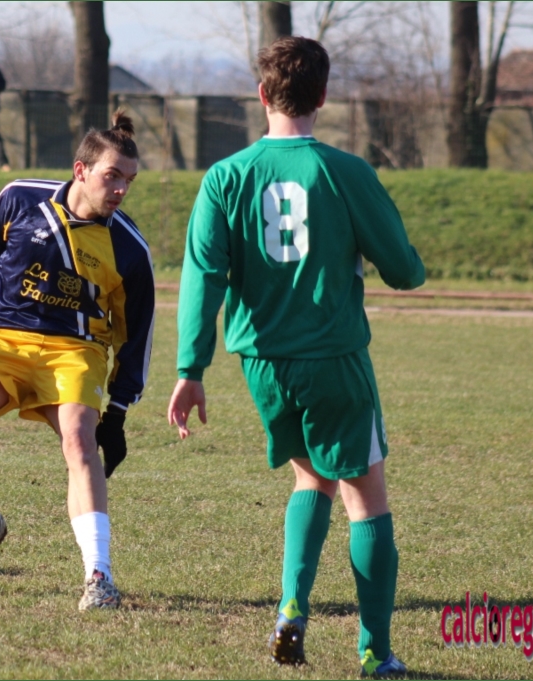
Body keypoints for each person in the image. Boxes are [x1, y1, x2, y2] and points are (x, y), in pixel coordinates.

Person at [167, 37, 424, 678]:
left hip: (263, 364)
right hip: (334, 357)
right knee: (367, 498)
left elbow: (203, 277)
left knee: (312, 479)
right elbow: (402, 269)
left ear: (262, 95)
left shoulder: (225, 177)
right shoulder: (345, 171)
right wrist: (405, 261)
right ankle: (375, 652)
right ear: (324, 96)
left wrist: (190, 370)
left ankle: (290, 607)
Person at [0, 110, 155, 611]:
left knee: (80, 441)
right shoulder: (19, 197)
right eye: (112, 176)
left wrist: (117, 412)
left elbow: (137, 334)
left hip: (75, 350)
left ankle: (99, 576)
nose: (120, 189)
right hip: (4, 341)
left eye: (129, 181)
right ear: (81, 170)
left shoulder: (129, 248)